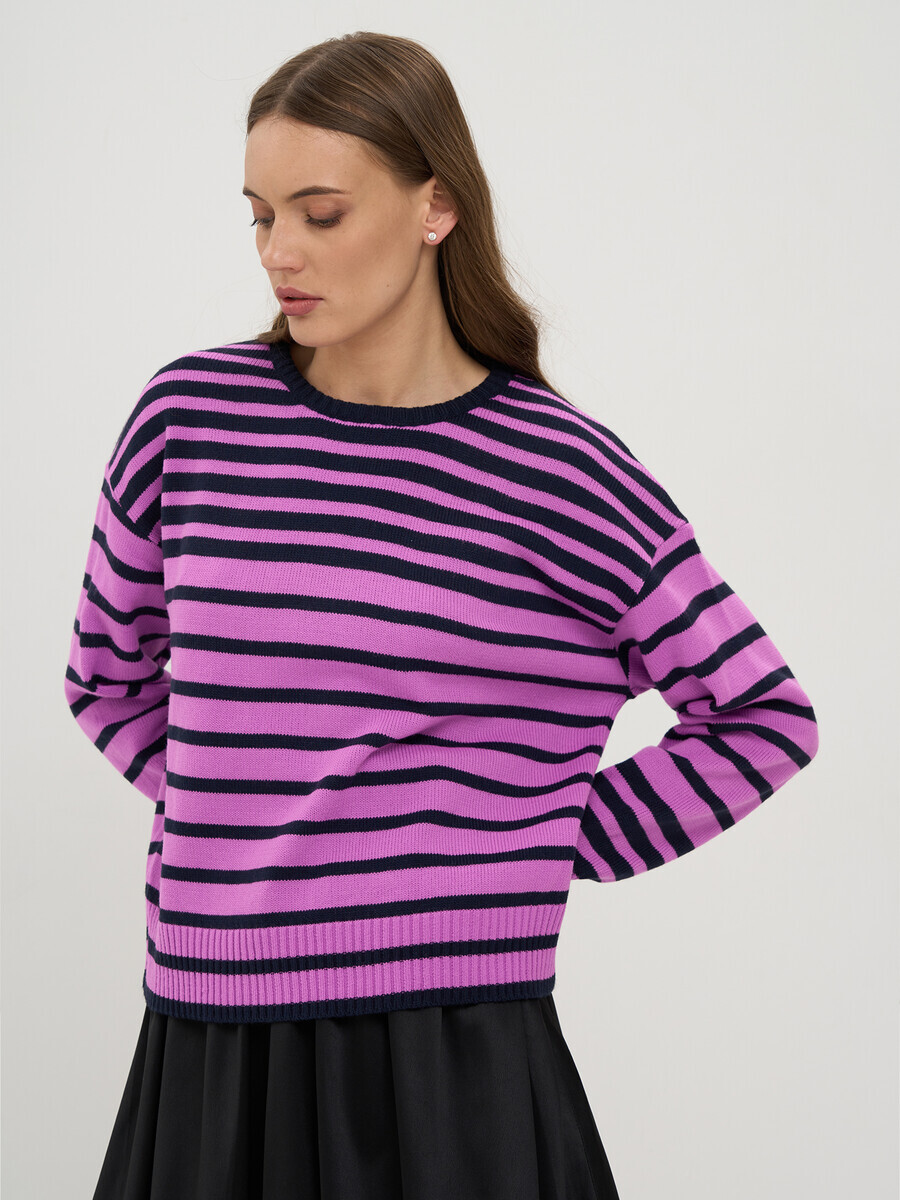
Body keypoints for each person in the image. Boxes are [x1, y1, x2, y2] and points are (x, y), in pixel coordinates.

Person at [65, 30, 820, 1200]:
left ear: (438, 206)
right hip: (208, 1035)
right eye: (260, 216)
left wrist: (526, 846)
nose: (279, 252)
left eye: (320, 213)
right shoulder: (189, 419)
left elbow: (764, 715)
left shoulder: (558, 470)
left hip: (448, 1049)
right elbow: (106, 680)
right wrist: (245, 813)